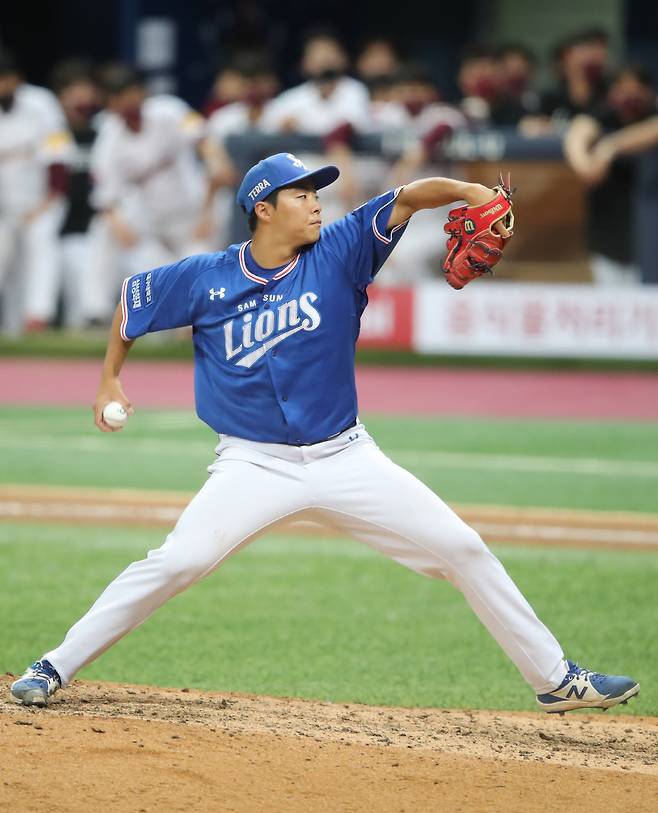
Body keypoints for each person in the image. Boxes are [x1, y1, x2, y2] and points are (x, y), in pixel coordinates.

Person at [11, 152, 639, 715]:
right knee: (178, 560)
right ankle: (54, 665)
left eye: (317, 192)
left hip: (347, 459)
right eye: (302, 194)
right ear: (264, 209)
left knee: (463, 548)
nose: (316, 202)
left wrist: (471, 192)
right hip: (254, 466)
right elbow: (132, 299)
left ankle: (555, 679)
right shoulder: (205, 277)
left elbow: (411, 197)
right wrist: (109, 380)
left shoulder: (341, 251)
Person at [83, 65, 208, 325]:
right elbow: (105, 197)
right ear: (110, 103)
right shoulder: (109, 137)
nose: (126, 101)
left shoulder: (169, 110)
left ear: (141, 92)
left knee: (204, 279)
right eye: (117, 96)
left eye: (129, 92)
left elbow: (205, 140)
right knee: (104, 227)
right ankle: (95, 311)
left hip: (192, 218)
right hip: (151, 225)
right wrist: (119, 225)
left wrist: (209, 211)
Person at [0, 50, 73, 334]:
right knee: (7, 262)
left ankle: (37, 316)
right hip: (5, 205)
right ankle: (12, 325)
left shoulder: (41, 103)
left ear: (17, 79)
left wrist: (47, 203)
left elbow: (58, 154)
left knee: (41, 244)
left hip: (43, 199)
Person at [564, 66, 658, 284]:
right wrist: (584, 165)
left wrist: (610, 146)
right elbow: (579, 130)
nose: (629, 96)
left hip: (650, 233)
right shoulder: (604, 115)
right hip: (609, 236)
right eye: (622, 89)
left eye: (636, 89)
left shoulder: (650, 115)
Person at [49, 60, 103, 328]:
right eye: (75, 92)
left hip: (92, 232)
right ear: (61, 97)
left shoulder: (105, 129)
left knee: (83, 311)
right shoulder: (49, 130)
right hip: (56, 232)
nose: (83, 98)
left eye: (87, 90)